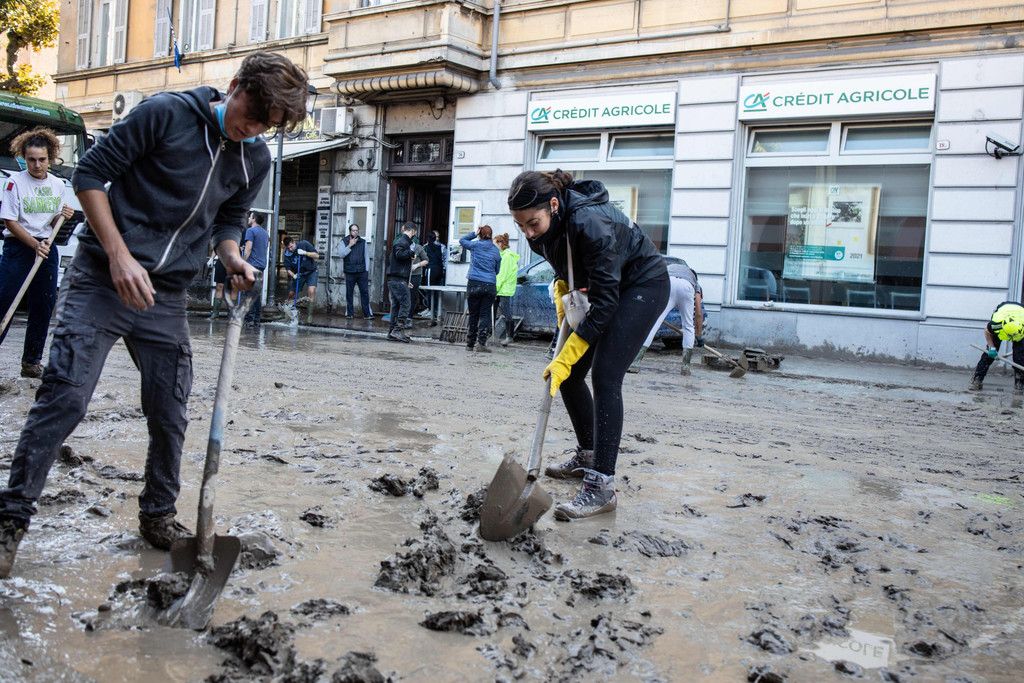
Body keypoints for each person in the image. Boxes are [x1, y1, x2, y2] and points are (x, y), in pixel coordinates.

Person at [0, 51, 310, 579]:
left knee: (170, 410)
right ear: (235, 85)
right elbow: (90, 175)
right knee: (66, 396)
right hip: (102, 278)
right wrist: (119, 255)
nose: (253, 129)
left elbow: (229, 220)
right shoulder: (165, 114)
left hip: (164, 295)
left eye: (267, 126)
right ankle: (10, 520)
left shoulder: (253, 158)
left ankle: (159, 514)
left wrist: (231, 256)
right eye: (252, 115)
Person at [508, 169, 668, 520]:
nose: (528, 233)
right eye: (521, 226)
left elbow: (607, 303)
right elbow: (571, 270)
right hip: (603, 290)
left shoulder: (590, 222)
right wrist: (563, 290)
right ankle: (588, 455)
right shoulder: (541, 232)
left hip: (642, 286)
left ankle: (601, 486)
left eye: (533, 223)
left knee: (606, 374)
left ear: (553, 205)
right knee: (567, 376)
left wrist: (571, 351)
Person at [0, 127, 76, 378]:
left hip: (46, 247)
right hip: (19, 247)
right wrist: (34, 245)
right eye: (31, 159)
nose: (36, 165)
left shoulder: (58, 184)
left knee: (43, 304)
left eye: (42, 159)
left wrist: (62, 216)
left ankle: (31, 362)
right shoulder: (14, 183)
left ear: (50, 157)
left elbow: (52, 222)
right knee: (5, 301)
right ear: (24, 157)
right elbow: (10, 221)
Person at [628, 274, 696, 375]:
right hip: (686, 288)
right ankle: (685, 367)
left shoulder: (669, 268)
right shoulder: (694, 281)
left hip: (668, 283)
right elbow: (698, 313)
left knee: (655, 323)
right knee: (688, 326)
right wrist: (698, 335)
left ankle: (635, 363)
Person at [459, 225, 501, 352]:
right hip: (489, 285)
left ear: (480, 235)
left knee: (473, 315)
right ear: (491, 235)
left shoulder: (475, 245)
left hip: (474, 283)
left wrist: (474, 233)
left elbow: (462, 240)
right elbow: (497, 270)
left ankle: (470, 344)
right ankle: (481, 344)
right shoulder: (496, 251)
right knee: (485, 315)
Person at [969, 301, 1024, 393]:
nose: (1011, 339)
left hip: (1020, 316)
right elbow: (987, 332)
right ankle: (977, 379)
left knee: (1019, 357)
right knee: (988, 356)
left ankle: (1019, 383)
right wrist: (992, 348)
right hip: (1003, 310)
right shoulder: (996, 324)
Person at [386, 222, 417, 342]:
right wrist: (410, 253)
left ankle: (392, 332)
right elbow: (399, 255)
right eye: (414, 233)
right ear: (412, 231)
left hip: (396, 279)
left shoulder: (401, 242)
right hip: (398, 279)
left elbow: (396, 261)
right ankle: (397, 330)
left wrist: (406, 280)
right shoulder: (402, 242)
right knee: (406, 304)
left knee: (396, 306)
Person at [337, 223, 373, 319]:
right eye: (353, 230)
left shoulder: (363, 242)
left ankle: (367, 314)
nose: (355, 232)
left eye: (357, 230)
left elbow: (366, 257)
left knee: (364, 292)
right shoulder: (344, 241)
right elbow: (341, 255)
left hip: (362, 272)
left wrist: (366, 270)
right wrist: (349, 245)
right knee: (349, 293)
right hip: (349, 272)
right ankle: (350, 314)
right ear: (350, 231)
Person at [241, 211, 269, 327]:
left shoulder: (250, 231)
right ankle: (256, 319)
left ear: (254, 219)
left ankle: (250, 319)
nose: (248, 218)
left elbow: (248, 249)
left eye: (250, 217)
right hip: (261, 265)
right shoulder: (265, 233)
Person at [494, 232, 519, 346]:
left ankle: (509, 336)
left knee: (506, 311)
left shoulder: (507, 256)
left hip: (504, 288)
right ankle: (489, 334)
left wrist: (496, 288)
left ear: (500, 244)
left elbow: (502, 275)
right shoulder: (502, 255)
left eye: (495, 244)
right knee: (493, 310)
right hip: (500, 287)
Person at [283, 235, 319, 306]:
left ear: (294, 242)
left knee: (311, 291)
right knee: (291, 293)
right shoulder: (287, 254)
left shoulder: (304, 244)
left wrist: (305, 253)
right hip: (299, 274)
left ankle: (310, 311)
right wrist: (294, 276)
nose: (290, 249)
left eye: (291, 246)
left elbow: (317, 255)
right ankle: (287, 305)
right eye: (288, 248)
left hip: (311, 271)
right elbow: (288, 269)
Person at [424, 229, 447, 325]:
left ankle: (431, 310)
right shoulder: (441, 247)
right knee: (437, 291)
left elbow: (423, 259)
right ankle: (434, 310)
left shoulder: (426, 247)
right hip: (440, 270)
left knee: (430, 290)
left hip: (431, 270)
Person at [409, 236, 429, 319]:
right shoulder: (401, 247)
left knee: (412, 296)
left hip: (415, 275)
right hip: (403, 275)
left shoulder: (419, 248)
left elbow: (426, 260)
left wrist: (416, 265)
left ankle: (409, 317)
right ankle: (400, 316)